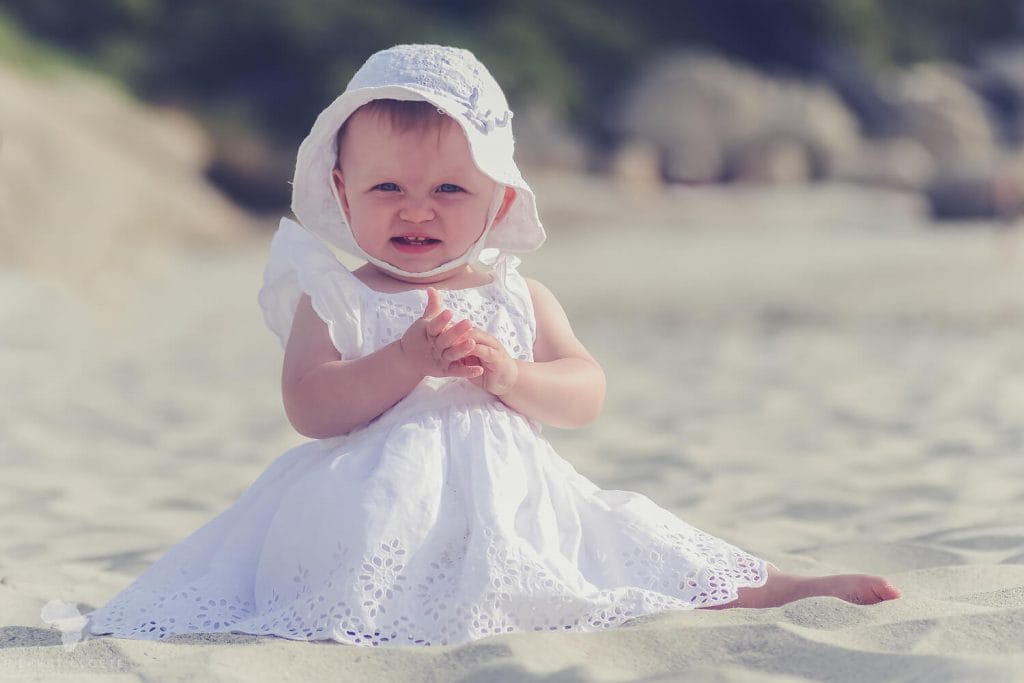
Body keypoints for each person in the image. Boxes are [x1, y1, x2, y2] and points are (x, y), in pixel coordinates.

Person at [80, 44, 900, 648]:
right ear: (341, 191)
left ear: (499, 200)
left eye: (449, 188)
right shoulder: (337, 294)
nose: (417, 209)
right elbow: (311, 405)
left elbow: (585, 389)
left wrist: (512, 375)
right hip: (368, 504)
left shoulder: (517, 295)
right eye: (387, 187)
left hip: (515, 498)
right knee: (344, 565)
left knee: (628, 539)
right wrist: (406, 361)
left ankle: (778, 586)